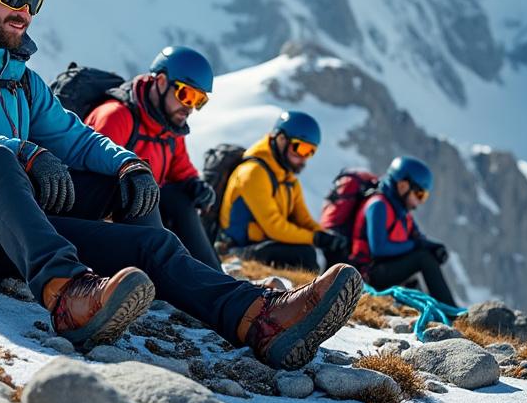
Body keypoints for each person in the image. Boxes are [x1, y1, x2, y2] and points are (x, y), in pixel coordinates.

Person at [0, 0, 361, 365]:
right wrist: (22, 152)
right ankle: (68, 294)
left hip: (6, 235)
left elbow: (74, 136)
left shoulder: (21, 80)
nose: (25, 11)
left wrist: (128, 164)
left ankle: (257, 318)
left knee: (142, 225)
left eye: (35, 1)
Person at [84, 46, 221, 269]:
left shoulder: (169, 127)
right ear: (161, 82)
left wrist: (195, 186)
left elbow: (181, 170)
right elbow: (90, 189)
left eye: (199, 101)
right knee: (149, 196)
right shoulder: (116, 117)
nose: (190, 108)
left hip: (145, 218)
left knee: (181, 198)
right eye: (186, 95)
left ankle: (215, 275)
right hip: (108, 225)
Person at [219, 111, 349, 272]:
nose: (304, 158)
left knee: (335, 248)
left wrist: (327, 237)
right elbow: (274, 227)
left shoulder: (288, 179)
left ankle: (342, 283)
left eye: (310, 151)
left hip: (263, 245)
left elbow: (303, 220)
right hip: (236, 250)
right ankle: (317, 288)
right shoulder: (253, 173)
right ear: (281, 139)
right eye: (301, 148)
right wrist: (315, 238)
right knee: (304, 254)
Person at [352, 156, 457, 307]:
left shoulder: (401, 211)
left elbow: (418, 238)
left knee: (423, 262)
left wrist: (434, 247)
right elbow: (379, 249)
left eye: (424, 197)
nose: (420, 202)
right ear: (403, 186)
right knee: (423, 259)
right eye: (419, 194)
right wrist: (416, 246)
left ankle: (443, 311)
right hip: (368, 275)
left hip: (384, 270)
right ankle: (452, 312)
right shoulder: (378, 206)